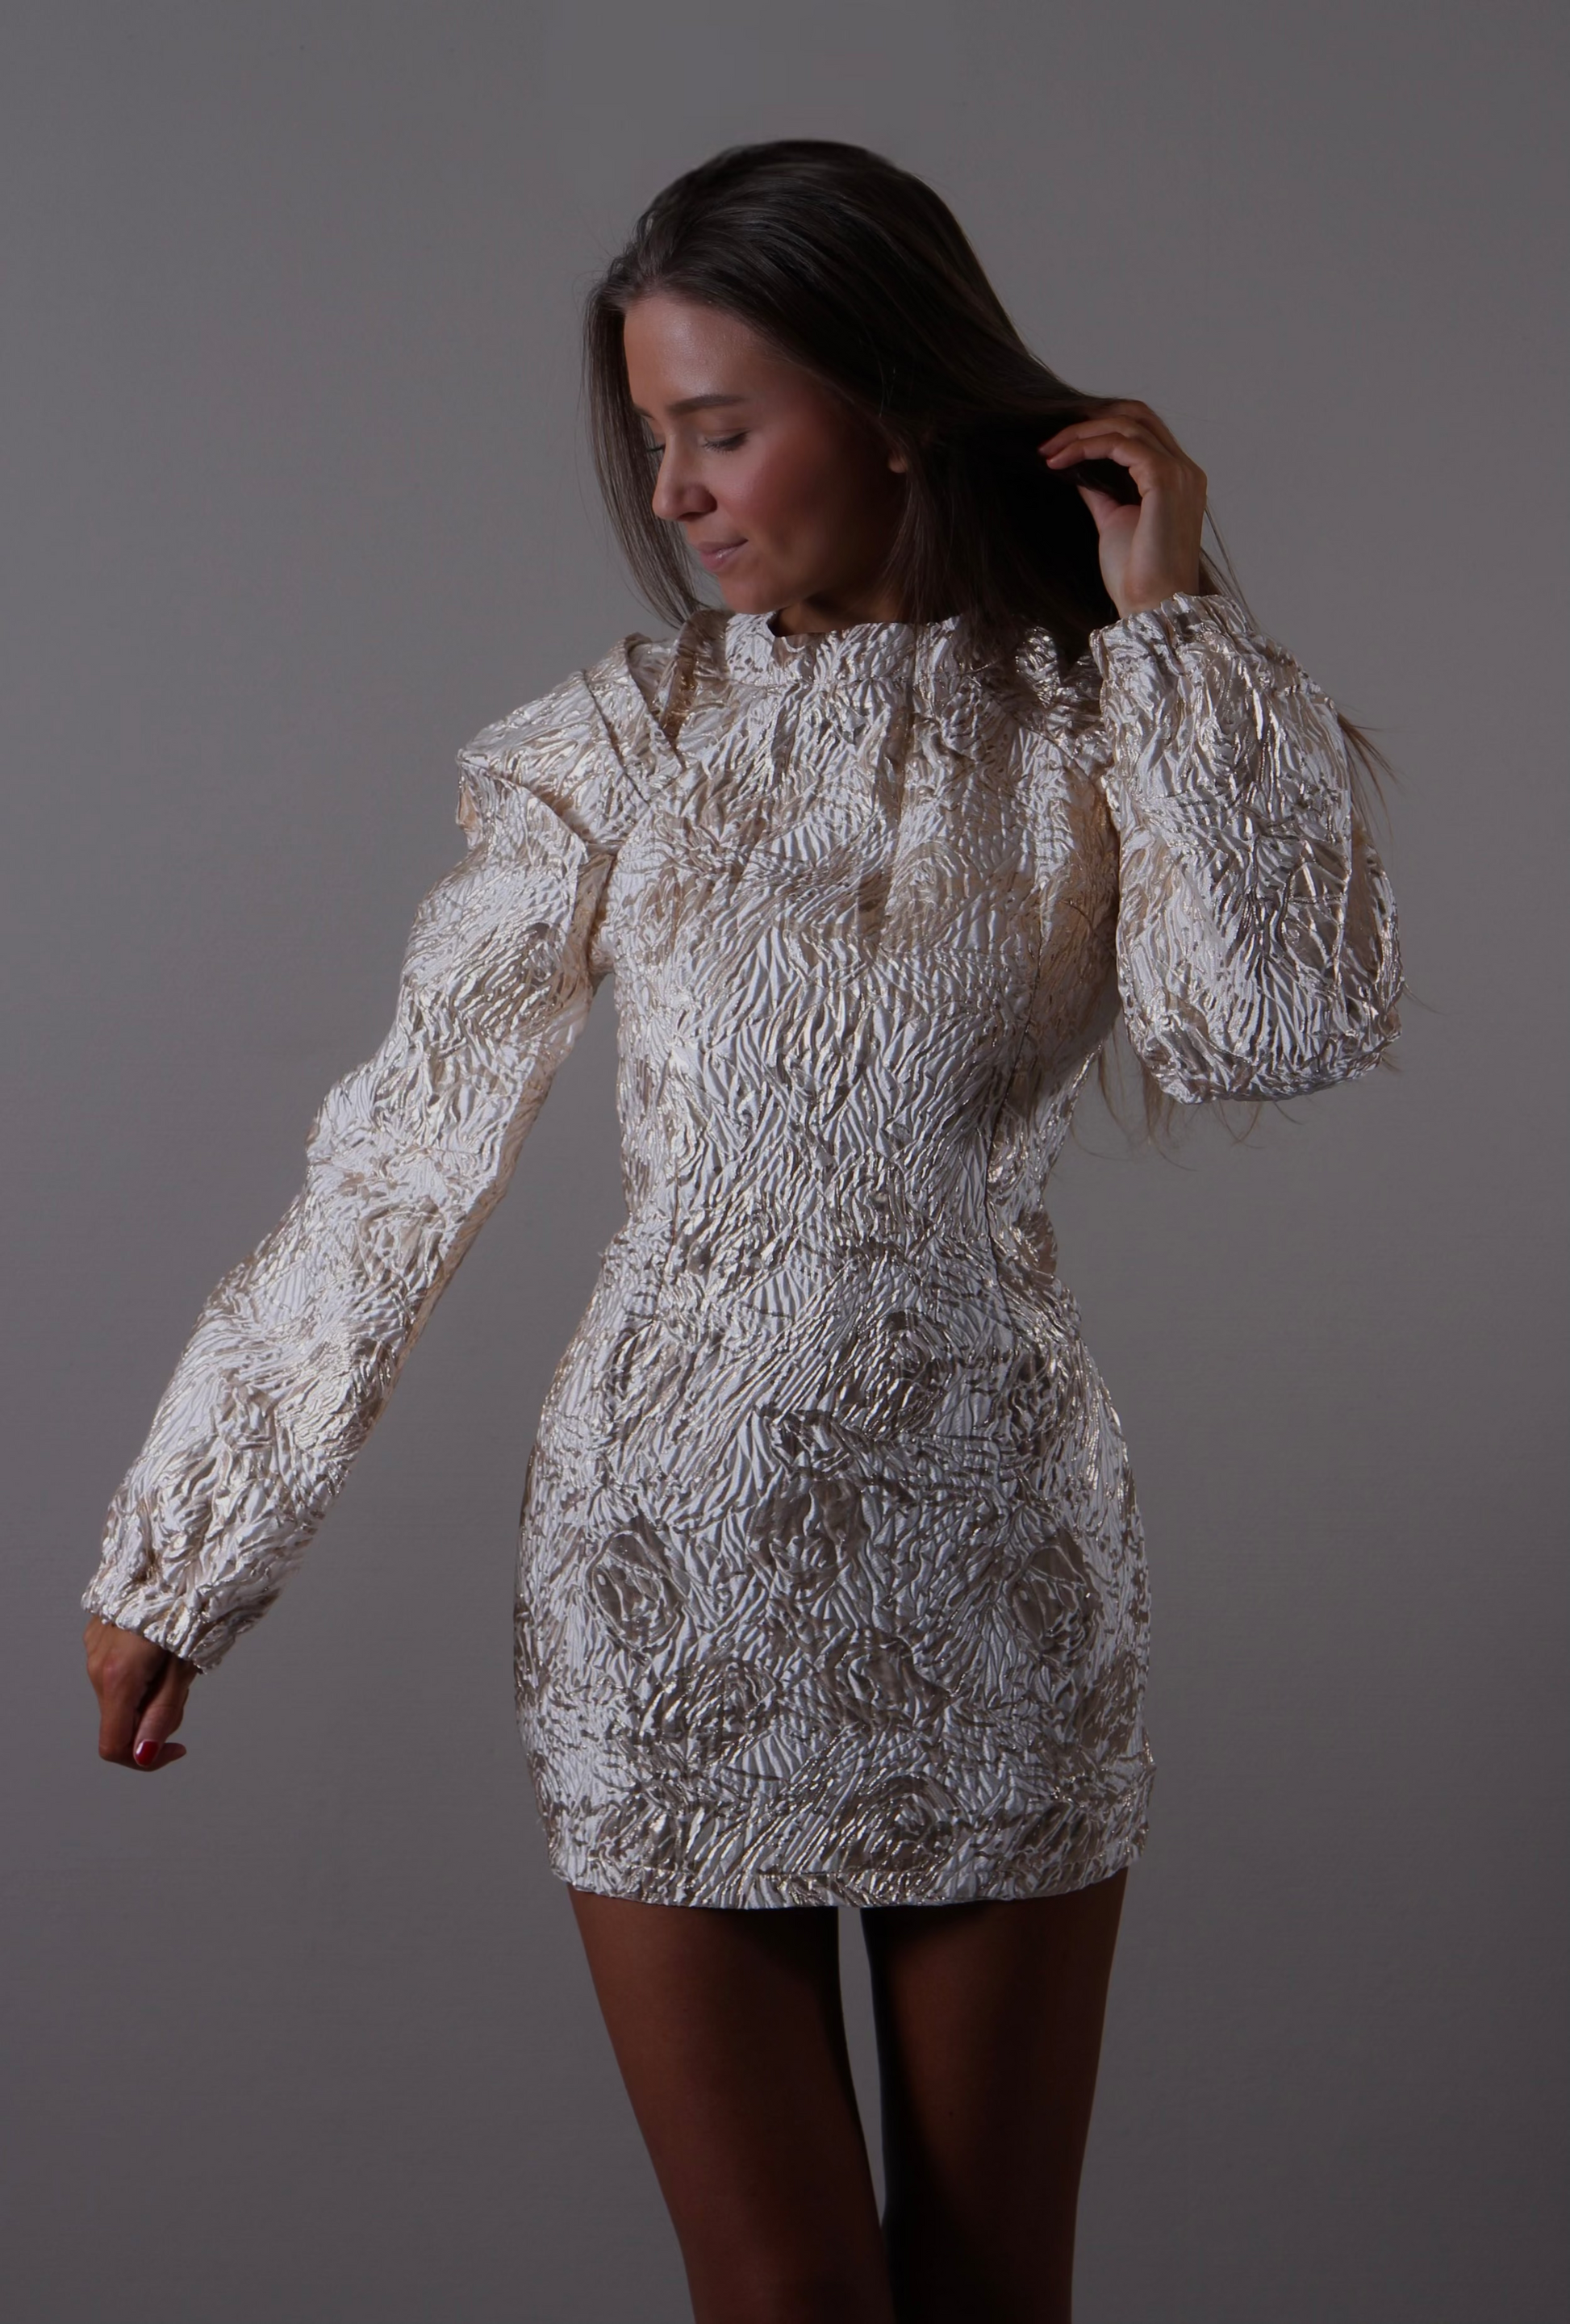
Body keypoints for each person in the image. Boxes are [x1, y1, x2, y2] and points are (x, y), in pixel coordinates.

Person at [81, 140, 1401, 2323]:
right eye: (654, 438)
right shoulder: (614, 742)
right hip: (662, 1561)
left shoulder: (1110, 720)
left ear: (891, 407)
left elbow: (1271, 1032)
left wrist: (1171, 624)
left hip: (998, 1559)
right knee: (782, 2292)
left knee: (993, 2287)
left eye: (719, 428)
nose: (675, 492)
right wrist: (193, 1544)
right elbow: (402, 1153)